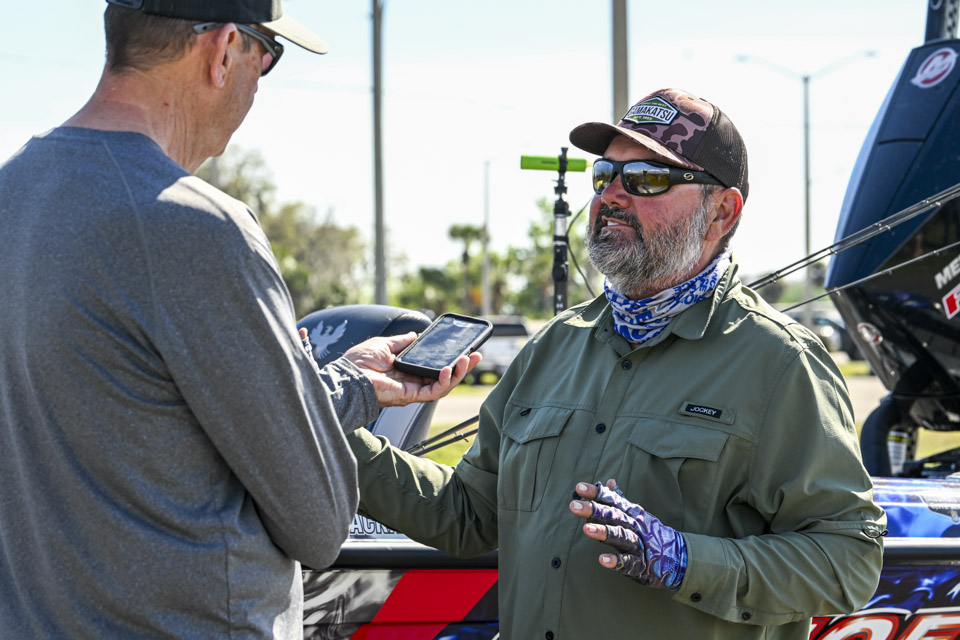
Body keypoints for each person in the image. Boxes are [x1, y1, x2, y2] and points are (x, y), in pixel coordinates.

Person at [0, 2, 476, 638]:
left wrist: (349, 385)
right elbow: (319, 522)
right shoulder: (199, 227)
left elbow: (149, 421)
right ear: (224, 51)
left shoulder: (14, 193)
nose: (259, 85)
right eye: (267, 58)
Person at [346, 88, 887, 639]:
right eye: (605, 174)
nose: (611, 195)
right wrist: (322, 427)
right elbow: (468, 515)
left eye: (647, 178)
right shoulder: (555, 345)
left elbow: (849, 559)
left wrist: (685, 561)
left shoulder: (781, 363)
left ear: (721, 212)